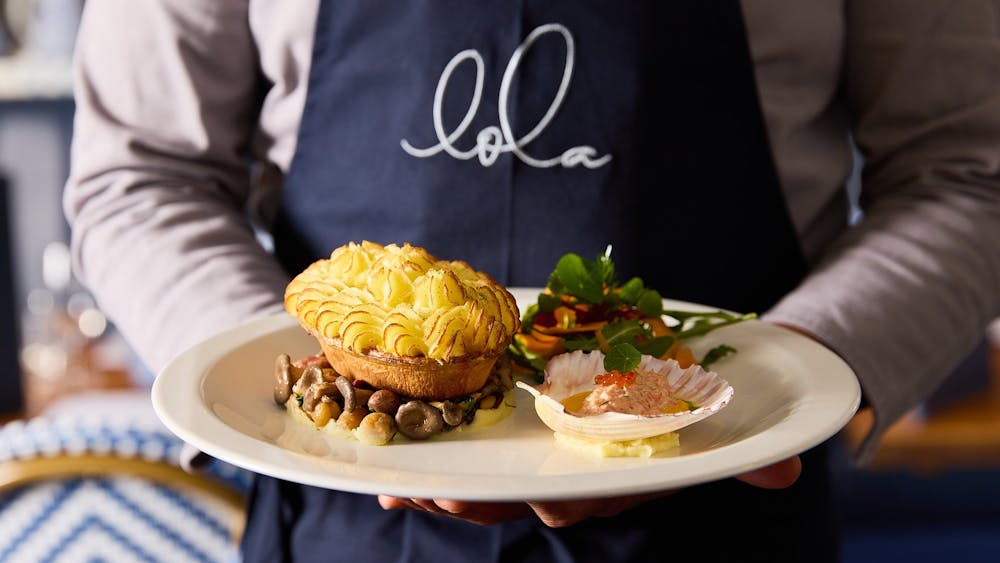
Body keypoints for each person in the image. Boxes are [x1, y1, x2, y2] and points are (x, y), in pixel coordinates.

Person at [64, 1, 1000, 561]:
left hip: (731, 503)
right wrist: (274, 381)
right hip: (342, 513)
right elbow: (142, 171)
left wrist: (806, 375)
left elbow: (965, 166)